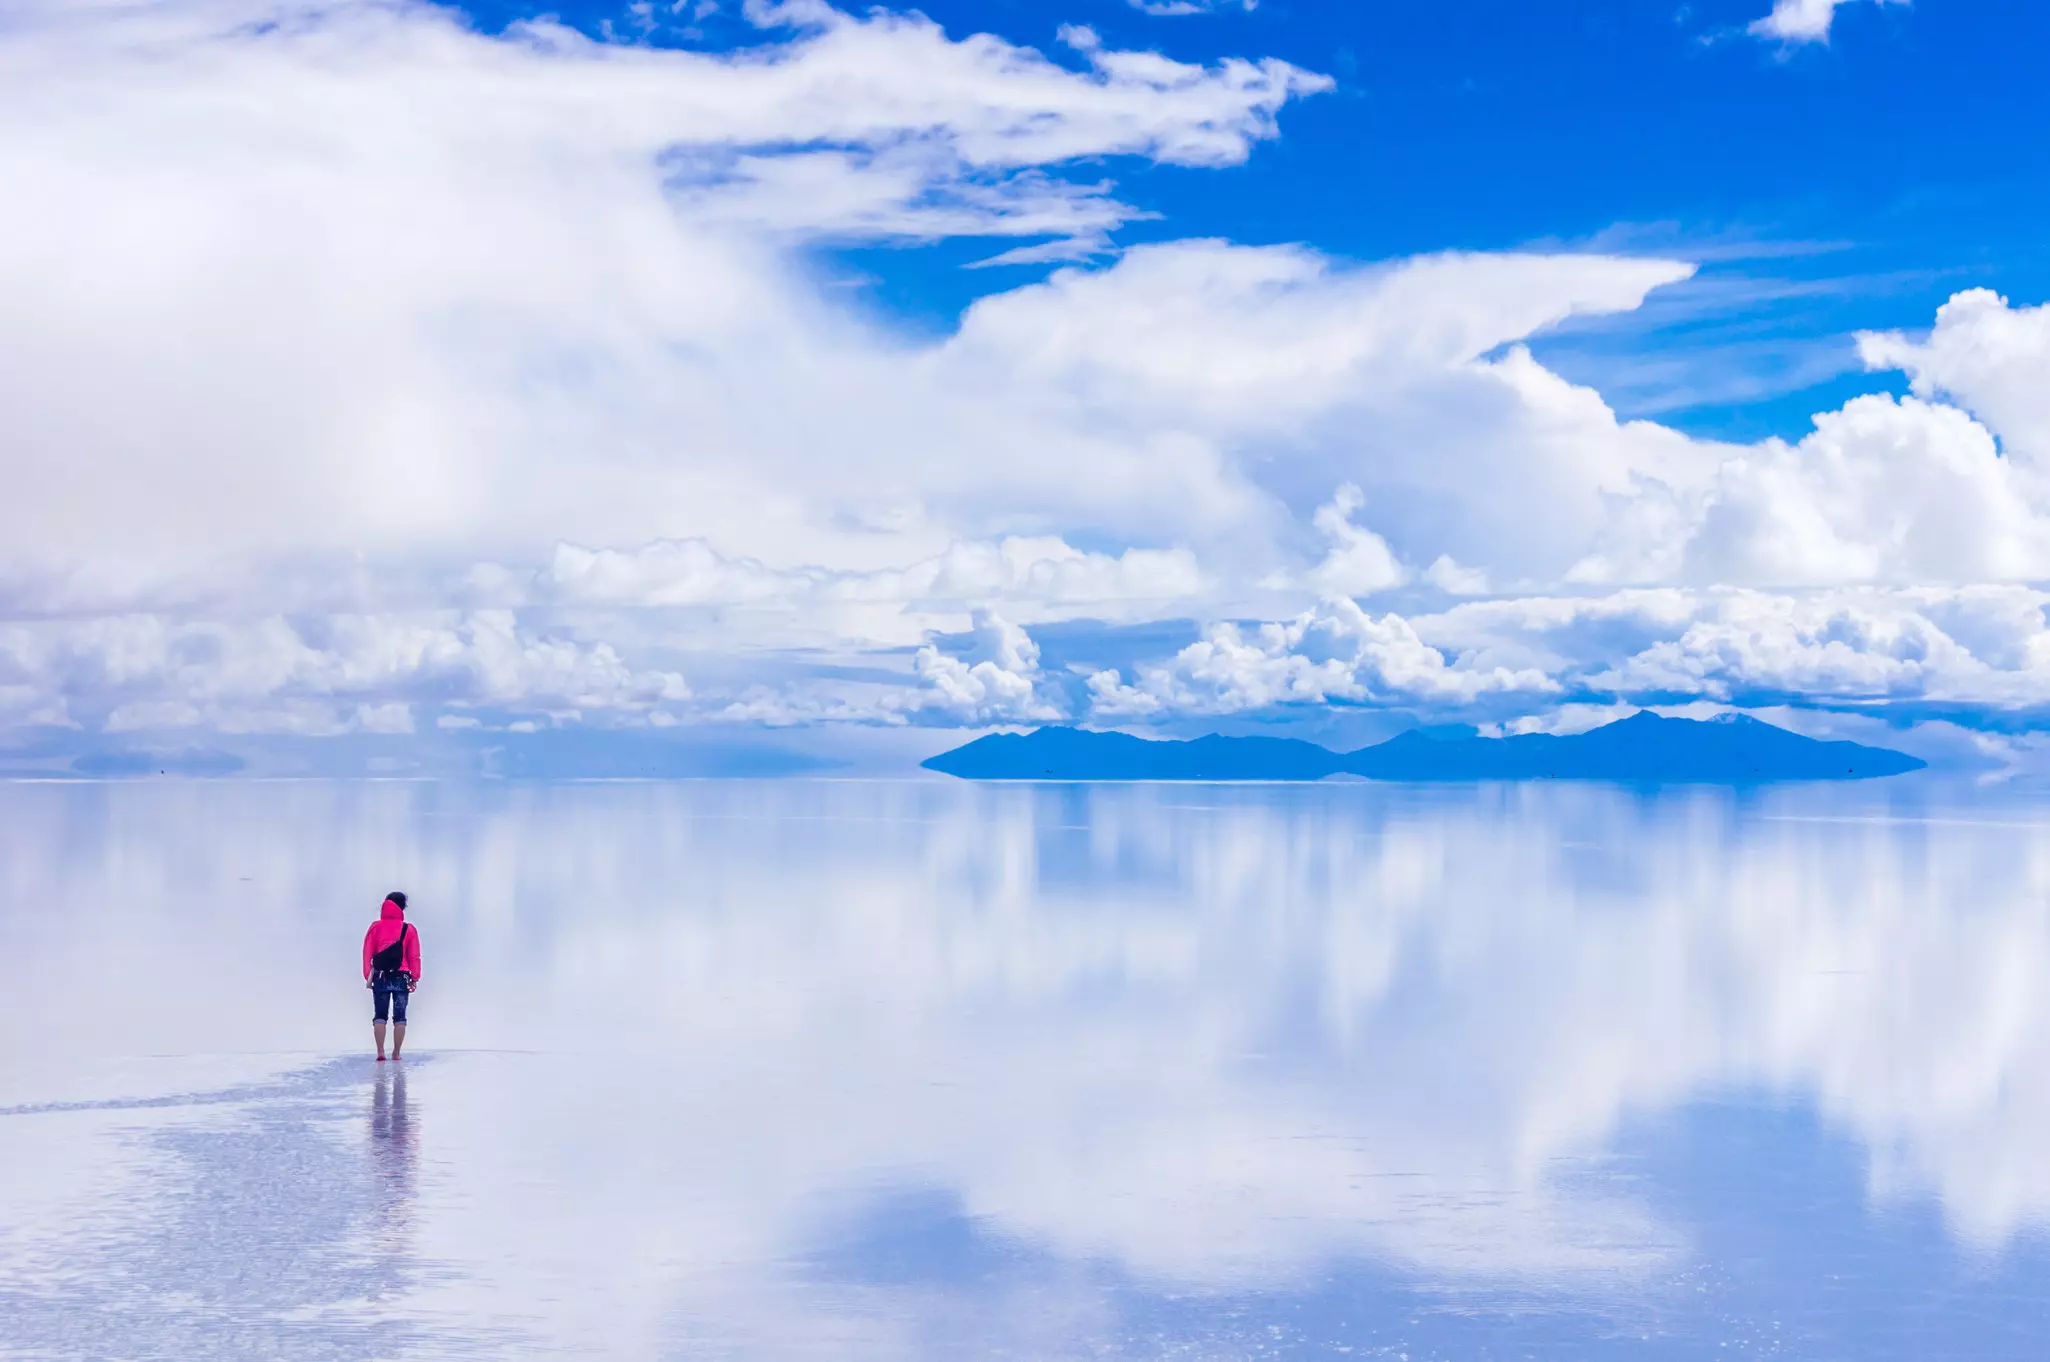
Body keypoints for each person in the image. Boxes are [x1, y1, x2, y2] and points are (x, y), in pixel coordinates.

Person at [362, 891, 422, 1061]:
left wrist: (368, 974)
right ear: (402, 907)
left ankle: (380, 1052)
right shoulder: (409, 929)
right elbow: (414, 956)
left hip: (380, 976)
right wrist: (415, 977)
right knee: (400, 1017)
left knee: (380, 1015)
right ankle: (396, 1053)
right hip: (401, 977)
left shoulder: (375, 927)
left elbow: (367, 952)